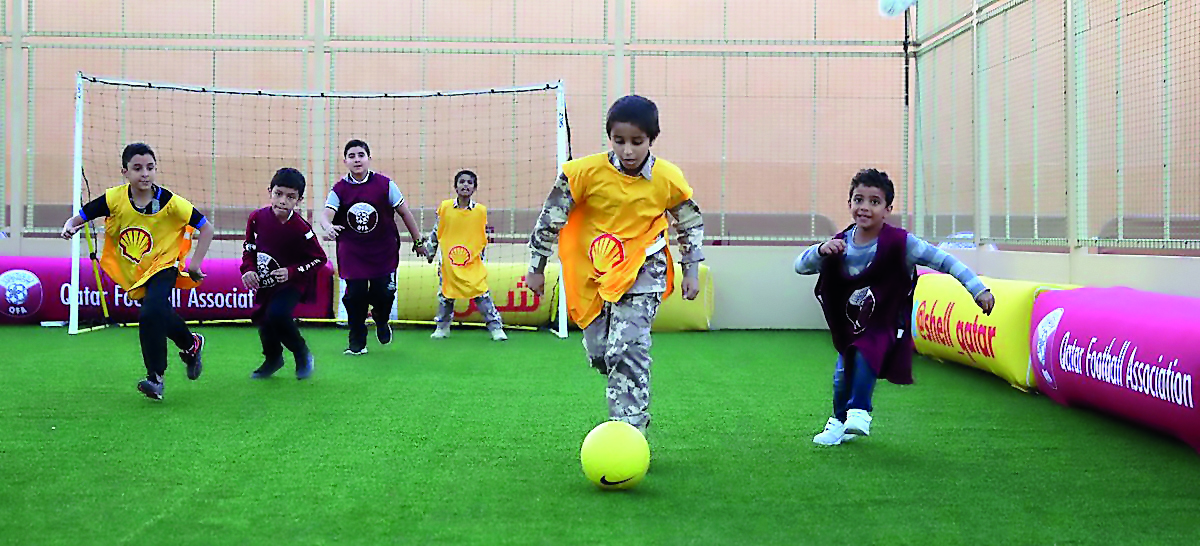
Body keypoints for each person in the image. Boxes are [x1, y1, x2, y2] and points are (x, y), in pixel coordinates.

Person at [526, 95, 705, 435]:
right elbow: (550, 218)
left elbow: (689, 222)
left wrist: (691, 269)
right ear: (609, 137)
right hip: (595, 271)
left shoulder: (666, 178)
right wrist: (536, 266)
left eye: (637, 142)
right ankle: (628, 385)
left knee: (627, 347)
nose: (627, 151)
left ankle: (628, 429)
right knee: (601, 352)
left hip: (643, 270)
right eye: (619, 141)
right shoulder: (583, 173)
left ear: (652, 139)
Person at [795, 168, 996, 446]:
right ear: (849, 203)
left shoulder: (902, 243)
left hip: (887, 322)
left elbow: (945, 261)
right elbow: (800, 266)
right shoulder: (839, 243)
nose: (865, 207)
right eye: (858, 199)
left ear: (888, 209)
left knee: (866, 350)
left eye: (874, 202)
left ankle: (860, 410)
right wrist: (819, 250)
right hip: (852, 324)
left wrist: (978, 289)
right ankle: (838, 421)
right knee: (843, 373)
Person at [60, 142, 213, 401]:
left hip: (165, 264)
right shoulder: (114, 199)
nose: (145, 174)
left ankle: (156, 377)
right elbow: (84, 215)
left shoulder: (171, 202)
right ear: (125, 172)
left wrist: (195, 264)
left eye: (150, 168)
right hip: (136, 269)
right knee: (159, 313)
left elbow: (206, 228)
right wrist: (70, 225)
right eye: (138, 168)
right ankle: (191, 344)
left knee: (151, 311)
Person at [319, 139, 428, 355]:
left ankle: (381, 318)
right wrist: (327, 227)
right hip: (353, 254)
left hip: (383, 252)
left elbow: (405, 213)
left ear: (369, 158)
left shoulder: (385, 184)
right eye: (352, 156)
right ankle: (357, 343)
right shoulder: (339, 189)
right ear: (345, 161)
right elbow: (326, 215)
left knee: (384, 294)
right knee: (355, 297)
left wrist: (418, 242)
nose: (357, 159)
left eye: (361, 155)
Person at [240, 167, 328, 380]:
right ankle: (273, 359)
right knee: (265, 320)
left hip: (293, 283)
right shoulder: (256, 218)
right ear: (270, 191)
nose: (282, 200)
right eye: (278, 193)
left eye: (290, 197)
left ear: (298, 200)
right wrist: (248, 270)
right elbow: (249, 249)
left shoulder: (301, 228)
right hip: (266, 282)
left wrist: (291, 272)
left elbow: (320, 259)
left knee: (277, 314)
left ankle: (302, 353)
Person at [422, 169, 507, 341]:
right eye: (462, 182)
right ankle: (442, 327)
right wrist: (430, 251)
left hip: (471, 262)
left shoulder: (480, 212)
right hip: (449, 262)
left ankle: (496, 327)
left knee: (481, 294)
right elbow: (437, 231)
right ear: (455, 186)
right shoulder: (445, 208)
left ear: (475, 188)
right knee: (446, 295)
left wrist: (478, 257)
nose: (465, 185)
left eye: (469, 182)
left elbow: (481, 237)